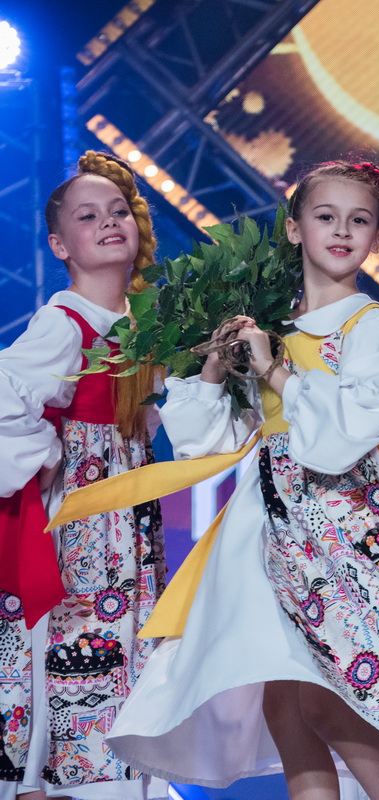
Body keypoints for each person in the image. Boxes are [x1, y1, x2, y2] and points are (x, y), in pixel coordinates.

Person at [81, 162, 379, 800]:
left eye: (358, 220)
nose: (341, 231)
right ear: (294, 229)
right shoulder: (267, 328)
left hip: (347, 524)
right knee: (284, 703)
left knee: (329, 699)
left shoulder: (373, 327)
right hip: (267, 528)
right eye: (325, 217)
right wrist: (213, 370)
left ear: (377, 239)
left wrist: (277, 373)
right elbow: (209, 444)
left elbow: (344, 437)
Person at [0, 152, 164, 800]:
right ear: (59, 245)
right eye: (88, 216)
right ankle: (54, 777)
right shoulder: (63, 322)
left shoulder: (142, 328)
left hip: (127, 512)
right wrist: (50, 452)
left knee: (121, 638)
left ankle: (109, 775)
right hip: (81, 517)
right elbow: (7, 395)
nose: (108, 222)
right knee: (70, 639)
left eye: (118, 211)